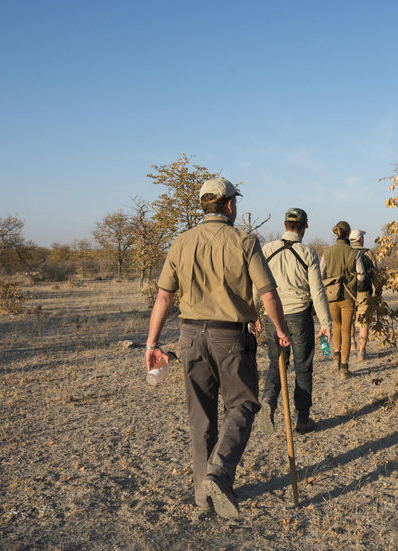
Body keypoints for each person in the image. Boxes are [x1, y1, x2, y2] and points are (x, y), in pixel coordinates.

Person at [145, 177, 292, 520]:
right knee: (242, 404)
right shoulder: (245, 241)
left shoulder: (181, 242)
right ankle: (219, 473)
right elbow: (268, 294)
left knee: (201, 417)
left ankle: (202, 496)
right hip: (230, 337)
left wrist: (152, 343)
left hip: (190, 335)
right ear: (229, 205)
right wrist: (281, 331)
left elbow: (164, 296)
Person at [260, 207, 333, 434]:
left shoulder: (266, 250)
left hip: (272, 317)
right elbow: (317, 292)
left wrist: (254, 314)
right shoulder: (308, 253)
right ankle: (302, 419)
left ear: (284, 225)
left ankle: (268, 400)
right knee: (303, 367)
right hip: (299, 316)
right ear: (305, 226)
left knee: (277, 362)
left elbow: (257, 285)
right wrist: (325, 323)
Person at [320, 221, 357, 378]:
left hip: (332, 296)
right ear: (348, 234)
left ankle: (335, 357)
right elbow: (361, 274)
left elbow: (321, 272)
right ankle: (344, 367)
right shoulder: (353, 252)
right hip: (348, 296)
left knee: (336, 325)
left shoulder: (327, 252)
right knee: (346, 331)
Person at [349, 229, 378, 362]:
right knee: (363, 323)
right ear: (361, 239)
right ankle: (362, 352)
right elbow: (376, 274)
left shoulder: (347, 252)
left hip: (348, 293)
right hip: (363, 293)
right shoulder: (368, 253)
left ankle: (352, 344)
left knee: (349, 320)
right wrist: (378, 289)